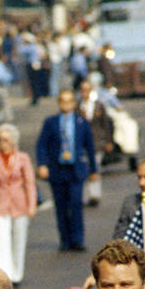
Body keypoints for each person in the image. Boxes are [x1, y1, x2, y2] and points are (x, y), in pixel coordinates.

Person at [36, 90, 97, 252]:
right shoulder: (51, 122)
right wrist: (42, 164)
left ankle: (78, 239)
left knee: (76, 204)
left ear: (74, 103)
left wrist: (93, 169)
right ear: (59, 103)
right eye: (63, 101)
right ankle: (65, 240)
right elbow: (42, 145)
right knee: (61, 206)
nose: (66, 104)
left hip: (75, 170)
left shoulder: (81, 122)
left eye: (69, 101)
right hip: (57, 170)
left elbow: (89, 147)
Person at [0, 124, 38, 287]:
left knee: (19, 238)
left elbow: (29, 183)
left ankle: (16, 274)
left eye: (6, 140)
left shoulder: (23, 158)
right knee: (1, 238)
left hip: (19, 203)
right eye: (0, 140)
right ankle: (3, 275)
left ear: (13, 141)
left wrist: (32, 204)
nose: (2, 143)